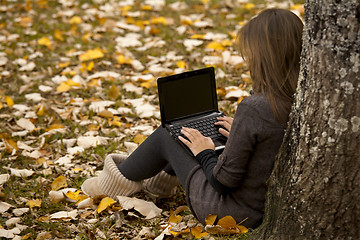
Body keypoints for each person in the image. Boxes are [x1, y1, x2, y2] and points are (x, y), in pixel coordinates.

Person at [81, 8, 303, 229]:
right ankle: (157, 186)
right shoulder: (300, 99)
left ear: (263, 58)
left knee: (169, 136)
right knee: (193, 134)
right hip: (260, 207)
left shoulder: (255, 107)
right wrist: (239, 133)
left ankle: (109, 186)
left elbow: (222, 182)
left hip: (228, 211)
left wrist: (205, 152)